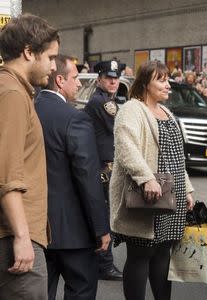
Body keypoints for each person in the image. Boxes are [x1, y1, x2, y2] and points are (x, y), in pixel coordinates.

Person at [109, 60, 195, 300]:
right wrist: (146, 178)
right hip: (147, 196)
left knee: (162, 255)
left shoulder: (166, 111)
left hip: (169, 196)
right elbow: (126, 146)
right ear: (145, 83)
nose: (168, 85)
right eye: (162, 79)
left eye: (168, 79)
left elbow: (177, 156)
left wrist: (186, 189)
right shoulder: (132, 109)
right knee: (140, 256)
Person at [34, 55, 111, 300]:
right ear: (59, 80)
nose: (79, 84)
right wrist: (100, 228)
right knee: (81, 289)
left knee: (39, 292)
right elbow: (87, 176)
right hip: (74, 232)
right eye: (75, 78)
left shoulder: (28, 110)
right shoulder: (74, 118)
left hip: (34, 228)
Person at [0, 14, 59, 300]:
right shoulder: (10, 93)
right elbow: (7, 175)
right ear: (28, 52)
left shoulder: (15, 91)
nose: (53, 65)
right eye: (50, 56)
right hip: (15, 237)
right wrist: (23, 237)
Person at [84, 59, 125, 281]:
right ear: (99, 79)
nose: (113, 81)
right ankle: (104, 265)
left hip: (104, 167)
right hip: (103, 168)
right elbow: (120, 127)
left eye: (116, 78)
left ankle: (100, 262)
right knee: (104, 217)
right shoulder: (103, 103)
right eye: (108, 78)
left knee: (103, 215)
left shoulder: (104, 100)